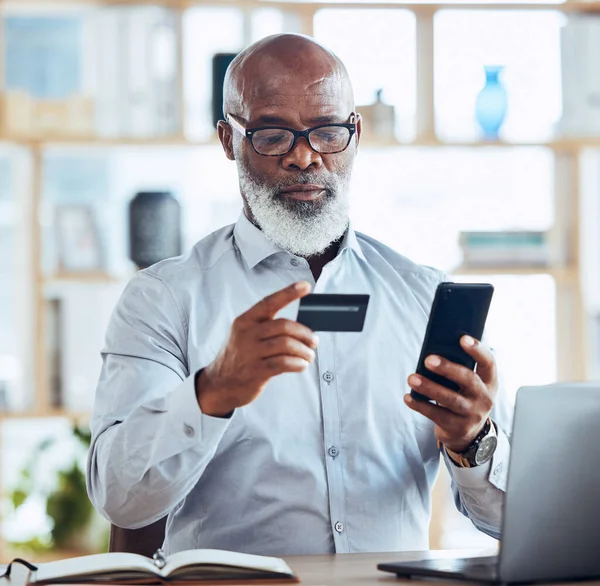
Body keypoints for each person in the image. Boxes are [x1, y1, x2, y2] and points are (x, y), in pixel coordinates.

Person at [87, 33, 511, 556]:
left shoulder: (422, 296)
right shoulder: (164, 299)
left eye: (328, 132)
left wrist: (474, 440)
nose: (305, 157)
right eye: (271, 135)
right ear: (228, 140)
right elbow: (121, 499)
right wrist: (211, 393)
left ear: (355, 134)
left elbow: (507, 521)